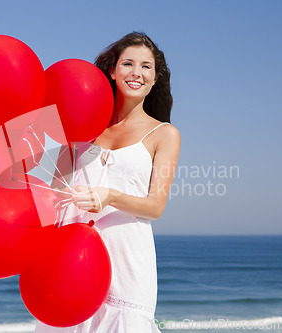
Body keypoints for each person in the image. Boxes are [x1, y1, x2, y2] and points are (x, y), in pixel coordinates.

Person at [35, 31, 181, 333]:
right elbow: (51, 194)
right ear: (112, 71)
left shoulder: (164, 134)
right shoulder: (81, 124)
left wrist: (110, 196)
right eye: (128, 64)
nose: (136, 73)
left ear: (155, 79)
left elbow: (155, 207)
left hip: (127, 260)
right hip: (71, 259)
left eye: (146, 67)